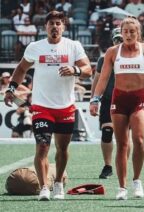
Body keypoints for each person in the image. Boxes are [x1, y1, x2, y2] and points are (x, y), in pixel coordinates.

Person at [3, 11, 92, 201]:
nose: (55, 26)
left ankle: (58, 182)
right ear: (45, 27)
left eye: (58, 23)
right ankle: (44, 187)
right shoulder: (35, 47)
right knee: (42, 146)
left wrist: (75, 70)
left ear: (63, 26)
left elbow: (88, 69)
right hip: (42, 106)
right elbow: (21, 69)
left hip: (65, 107)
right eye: (51, 23)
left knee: (62, 149)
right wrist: (11, 88)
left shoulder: (73, 46)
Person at [90, 16, 144, 200]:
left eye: (132, 31)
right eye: (125, 31)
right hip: (119, 99)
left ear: (138, 33)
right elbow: (103, 79)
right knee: (122, 144)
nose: (129, 35)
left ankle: (137, 180)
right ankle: (122, 187)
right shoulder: (113, 52)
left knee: (138, 140)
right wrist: (95, 100)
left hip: (139, 100)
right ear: (121, 33)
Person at [90, 27, 123, 179]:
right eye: (116, 39)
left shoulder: (135, 57)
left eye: (121, 39)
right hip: (108, 100)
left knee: (123, 137)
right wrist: (93, 100)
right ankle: (108, 166)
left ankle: (122, 165)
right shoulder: (103, 59)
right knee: (107, 132)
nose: (119, 42)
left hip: (126, 99)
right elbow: (96, 81)